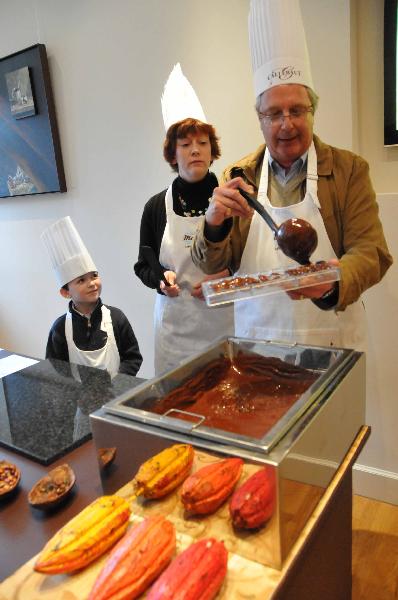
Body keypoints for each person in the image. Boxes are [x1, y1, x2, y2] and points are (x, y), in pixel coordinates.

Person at [191, 0, 392, 350]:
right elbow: (213, 262)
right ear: (260, 119)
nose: (287, 124)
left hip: (332, 338)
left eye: (297, 110)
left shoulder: (348, 170)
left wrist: (333, 280)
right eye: (274, 113)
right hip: (258, 342)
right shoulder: (239, 174)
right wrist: (214, 221)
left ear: (313, 111)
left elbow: (371, 252)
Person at [134, 64, 234, 374]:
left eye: (202, 143)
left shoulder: (230, 199)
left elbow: (248, 259)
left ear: (212, 151)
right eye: (186, 144)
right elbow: (142, 265)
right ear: (172, 154)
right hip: (174, 331)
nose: (195, 151)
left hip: (223, 322)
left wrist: (225, 275)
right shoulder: (155, 207)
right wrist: (161, 281)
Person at [42, 216, 142, 378]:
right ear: (66, 292)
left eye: (94, 276)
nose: (91, 283)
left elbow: (132, 357)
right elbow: (56, 369)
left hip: (117, 395)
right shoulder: (60, 328)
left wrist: (119, 382)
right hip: (79, 400)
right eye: (81, 280)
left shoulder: (116, 317)